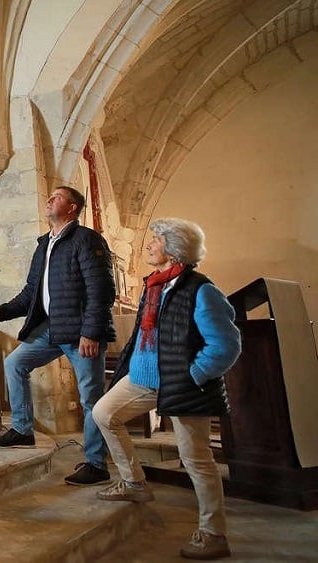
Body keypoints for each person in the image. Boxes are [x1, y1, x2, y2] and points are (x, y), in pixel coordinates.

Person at [92, 218, 240, 560]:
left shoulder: (200, 290)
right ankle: (134, 482)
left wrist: (193, 375)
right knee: (104, 413)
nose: (149, 244)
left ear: (174, 249)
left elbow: (226, 344)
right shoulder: (154, 285)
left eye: (156, 240)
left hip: (183, 383)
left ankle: (213, 532)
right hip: (143, 378)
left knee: (196, 459)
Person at [0, 186, 116, 487]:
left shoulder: (86, 239)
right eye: (50, 196)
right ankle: (22, 429)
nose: (49, 199)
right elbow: (31, 292)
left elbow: (101, 291)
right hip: (52, 328)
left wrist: (91, 332)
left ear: (72, 208)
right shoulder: (45, 243)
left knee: (90, 397)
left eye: (57, 197)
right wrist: (0, 312)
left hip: (81, 332)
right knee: (14, 364)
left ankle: (96, 463)